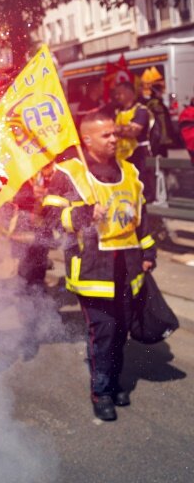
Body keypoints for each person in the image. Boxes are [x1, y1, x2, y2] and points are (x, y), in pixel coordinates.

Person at [42, 111, 157, 421]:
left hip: (128, 268)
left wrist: (149, 252)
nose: (114, 139)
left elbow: (141, 218)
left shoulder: (130, 171)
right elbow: (50, 218)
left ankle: (116, 382)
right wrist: (83, 214)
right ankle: (102, 392)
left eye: (114, 133)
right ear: (87, 140)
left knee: (121, 331)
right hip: (93, 271)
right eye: (106, 135)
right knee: (103, 333)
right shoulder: (69, 173)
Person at [112, 81, 154, 202]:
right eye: (116, 93)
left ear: (130, 92)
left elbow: (133, 132)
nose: (117, 96)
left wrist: (115, 128)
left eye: (120, 93)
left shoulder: (141, 110)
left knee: (141, 187)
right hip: (122, 155)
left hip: (139, 155)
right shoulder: (117, 111)